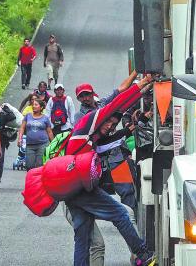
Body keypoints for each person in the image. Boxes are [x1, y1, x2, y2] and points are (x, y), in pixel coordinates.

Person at [64, 75, 156, 266]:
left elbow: (112, 140)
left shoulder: (94, 138)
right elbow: (119, 102)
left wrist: (134, 126)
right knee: (121, 214)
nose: (110, 127)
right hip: (80, 187)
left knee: (83, 239)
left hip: (72, 189)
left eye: (114, 125)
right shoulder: (87, 120)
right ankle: (143, 255)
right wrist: (143, 82)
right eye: (109, 123)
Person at [74, 70, 139, 122]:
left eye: (87, 94)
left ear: (93, 93)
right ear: (78, 99)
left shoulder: (103, 103)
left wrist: (136, 71)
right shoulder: (79, 116)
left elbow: (121, 88)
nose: (85, 98)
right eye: (81, 96)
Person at [0, 100, 21, 188]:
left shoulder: (3, 115)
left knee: (0, 162)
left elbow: (12, 117)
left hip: (2, 142)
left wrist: (6, 109)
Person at [17, 99, 54, 169]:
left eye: (36, 105)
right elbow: (22, 128)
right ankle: (31, 179)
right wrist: (20, 139)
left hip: (42, 144)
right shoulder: (28, 116)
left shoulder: (45, 118)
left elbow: (49, 132)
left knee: (39, 166)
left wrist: (53, 144)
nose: (34, 106)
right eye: (33, 105)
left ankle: (38, 180)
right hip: (30, 145)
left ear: (41, 107)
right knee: (29, 166)